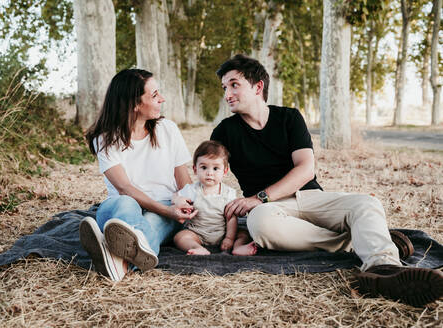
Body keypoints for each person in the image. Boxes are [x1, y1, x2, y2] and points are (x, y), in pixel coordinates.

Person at [210, 54, 443, 307]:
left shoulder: (289, 118)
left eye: (234, 84)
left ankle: (384, 270)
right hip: (270, 210)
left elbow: (305, 170)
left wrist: (259, 197)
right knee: (260, 223)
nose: (227, 94)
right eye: (224, 87)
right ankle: (354, 240)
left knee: (365, 204)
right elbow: (208, 171)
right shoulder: (225, 131)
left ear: (258, 87)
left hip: (310, 197)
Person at [79, 68, 198, 282]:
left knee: (150, 223)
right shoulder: (105, 138)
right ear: (134, 104)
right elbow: (124, 188)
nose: (162, 99)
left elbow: (183, 179)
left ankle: (115, 260)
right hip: (120, 208)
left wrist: (185, 205)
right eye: (154, 95)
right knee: (126, 205)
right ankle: (130, 249)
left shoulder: (168, 129)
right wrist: (168, 211)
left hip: (164, 207)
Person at [172, 140, 257, 256]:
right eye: (204, 167)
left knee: (243, 234)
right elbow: (175, 196)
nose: (209, 173)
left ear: (225, 171)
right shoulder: (192, 190)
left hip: (223, 233)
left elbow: (231, 218)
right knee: (180, 237)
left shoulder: (228, 193)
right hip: (197, 233)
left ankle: (238, 247)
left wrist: (229, 238)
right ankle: (197, 248)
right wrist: (178, 200)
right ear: (195, 169)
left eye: (215, 168)